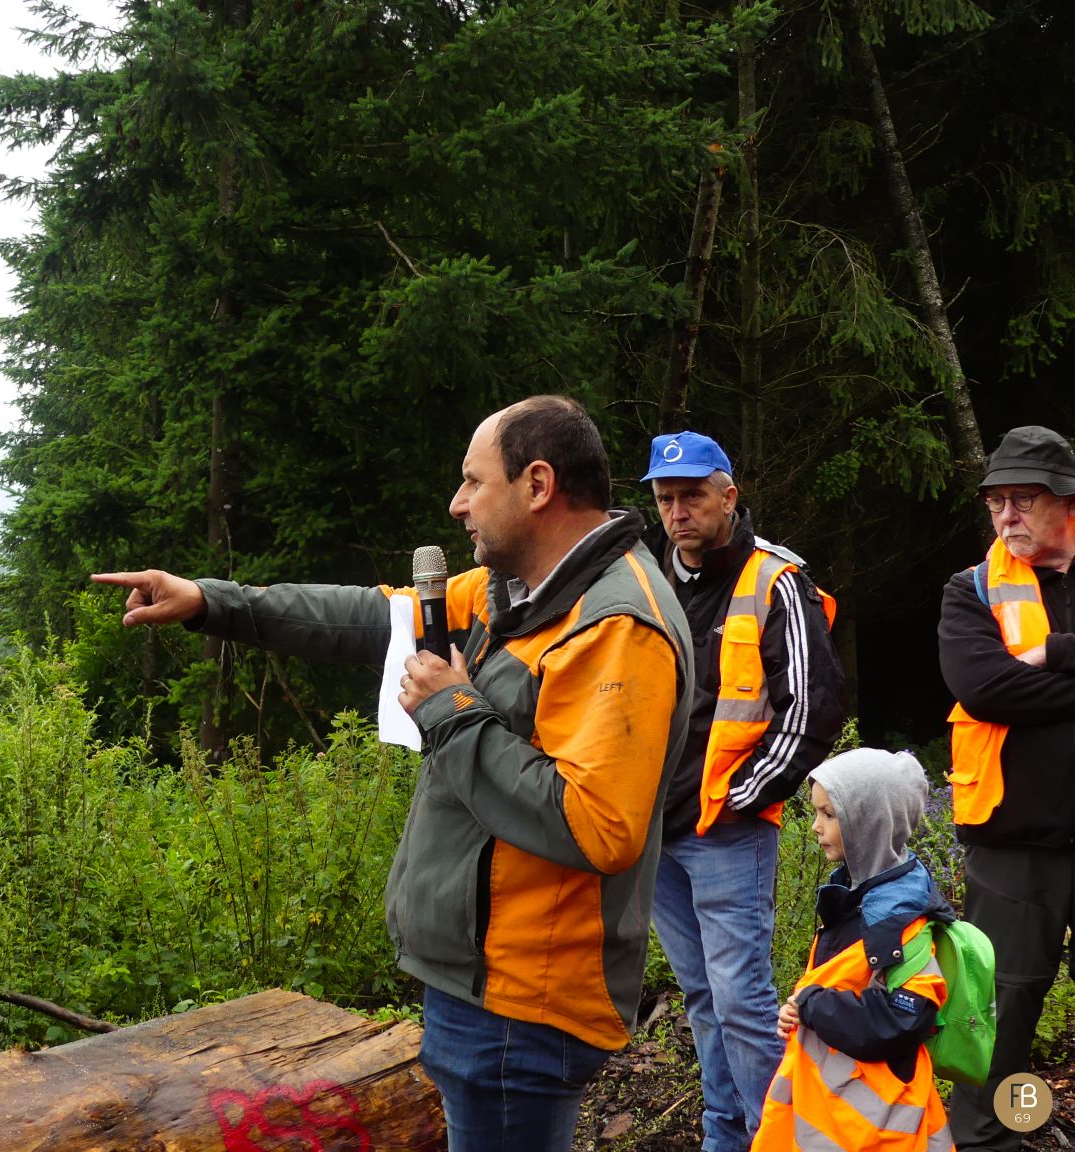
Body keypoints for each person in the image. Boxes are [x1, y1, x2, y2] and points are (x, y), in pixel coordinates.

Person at [94, 396, 693, 1152]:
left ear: (537, 484)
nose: (457, 504)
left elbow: (597, 825)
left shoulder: (614, 626)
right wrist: (211, 602)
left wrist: (451, 711)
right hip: (483, 985)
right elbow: (369, 617)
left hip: (524, 1003)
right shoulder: (519, 596)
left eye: (474, 482)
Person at [640, 431, 844, 1152]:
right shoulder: (647, 580)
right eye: (665, 499)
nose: (678, 512)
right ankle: (724, 1137)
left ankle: (775, 1140)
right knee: (701, 997)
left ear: (729, 496)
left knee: (742, 1002)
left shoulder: (776, 579)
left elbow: (814, 704)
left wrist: (744, 795)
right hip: (656, 831)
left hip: (727, 829)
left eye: (692, 495)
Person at [938, 425, 1075, 1152]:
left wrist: (1052, 653)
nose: (1007, 516)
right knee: (1004, 1008)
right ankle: (997, 1137)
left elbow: (1022, 680)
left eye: (1024, 499)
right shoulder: (972, 590)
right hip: (1011, 841)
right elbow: (984, 688)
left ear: (1065, 501)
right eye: (997, 502)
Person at [754, 747, 954, 1152]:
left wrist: (812, 1005)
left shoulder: (897, 917)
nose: (814, 826)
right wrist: (799, 1008)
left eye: (829, 814)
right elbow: (839, 980)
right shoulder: (856, 897)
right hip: (833, 1111)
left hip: (877, 1125)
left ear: (869, 823)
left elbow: (902, 1019)